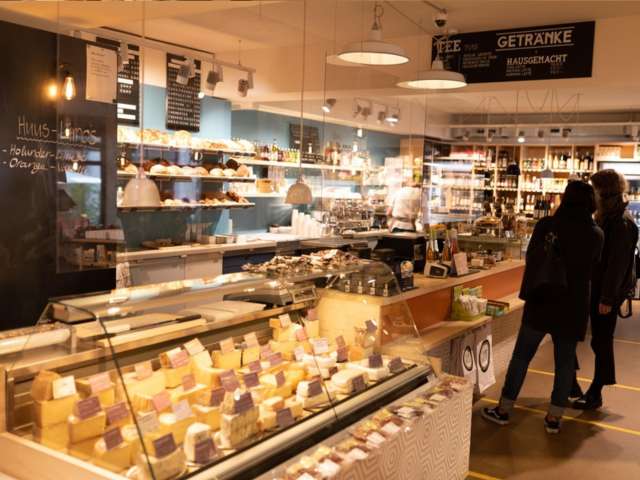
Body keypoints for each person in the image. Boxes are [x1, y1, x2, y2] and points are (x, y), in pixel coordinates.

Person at [482, 181, 603, 433]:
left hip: (542, 298)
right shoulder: (596, 234)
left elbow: (532, 258)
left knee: (521, 357)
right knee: (564, 363)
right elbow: (593, 268)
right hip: (573, 305)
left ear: (565, 199)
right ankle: (554, 418)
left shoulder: (547, 225)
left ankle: (504, 409)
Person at [573, 170, 639, 410]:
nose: (592, 194)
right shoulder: (608, 216)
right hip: (599, 289)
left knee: (601, 341)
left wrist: (608, 298)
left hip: (605, 292)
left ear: (604, 191)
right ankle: (578, 386)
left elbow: (617, 264)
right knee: (595, 340)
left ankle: (596, 392)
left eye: (594, 189)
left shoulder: (620, 222)